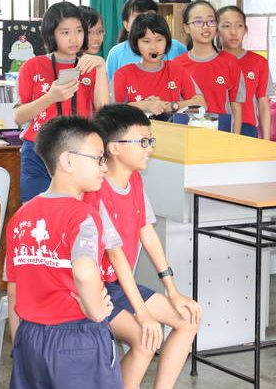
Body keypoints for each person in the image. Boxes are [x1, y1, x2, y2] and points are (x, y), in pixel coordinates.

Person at [83, 104, 201, 389]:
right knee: (145, 338)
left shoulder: (134, 180)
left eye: (151, 141)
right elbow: (115, 254)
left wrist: (173, 291)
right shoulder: (96, 189)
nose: (150, 148)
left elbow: (147, 232)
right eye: (143, 142)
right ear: (114, 148)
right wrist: (143, 312)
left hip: (119, 285)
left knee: (188, 318)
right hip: (94, 290)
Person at [5, 116, 121, 388]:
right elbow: (84, 271)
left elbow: (13, 290)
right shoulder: (82, 216)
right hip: (77, 338)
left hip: (29, 337)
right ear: (68, 161)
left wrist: (19, 343)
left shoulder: (21, 216)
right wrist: (97, 312)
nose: (104, 167)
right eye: (98, 158)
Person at [14, 1, 109, 202]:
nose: (74, 38)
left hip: (80, 152)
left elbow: (103, 109)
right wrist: (51, 97)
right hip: (38, 151)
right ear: (51, 34)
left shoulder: (91, 66)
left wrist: (101, 67)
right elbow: (19, 117)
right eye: (65, 32)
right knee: (37, 214)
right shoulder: (32, 66)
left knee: (78, 215)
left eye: (79, 31)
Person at [172, 0, 245, 133]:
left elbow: (236, 107)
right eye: (198, 22)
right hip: (188, 134)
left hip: (221, 135)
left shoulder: (230, 62)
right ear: (186, 27)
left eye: (211, 21)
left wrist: (235, 139)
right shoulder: (176, 65)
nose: (205, 27)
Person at [112, 13, 204, 117]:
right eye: (146, 41)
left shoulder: (177, 69)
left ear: (167, 41)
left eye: (159, 40)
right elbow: (112, 112)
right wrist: (144, 105)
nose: (153, 47)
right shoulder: (122, 74)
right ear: (136, 44)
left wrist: (172, 106)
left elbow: (201, 106)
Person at [216, 5, 272, 139]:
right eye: (226, 26)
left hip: (247, 130)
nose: (233, 32)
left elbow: (263, 105)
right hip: (215, 127)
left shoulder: (259, 62)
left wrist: (267, 141)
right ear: (217, 30)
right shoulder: (211, 62)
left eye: (239, 25)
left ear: (245, 30)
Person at [105, 0, 187, 82]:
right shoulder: (116, 54)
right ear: (126, 25)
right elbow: (109, 87)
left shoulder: (177, 47)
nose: (145, 21)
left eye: (150, 15)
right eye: (138, 17)